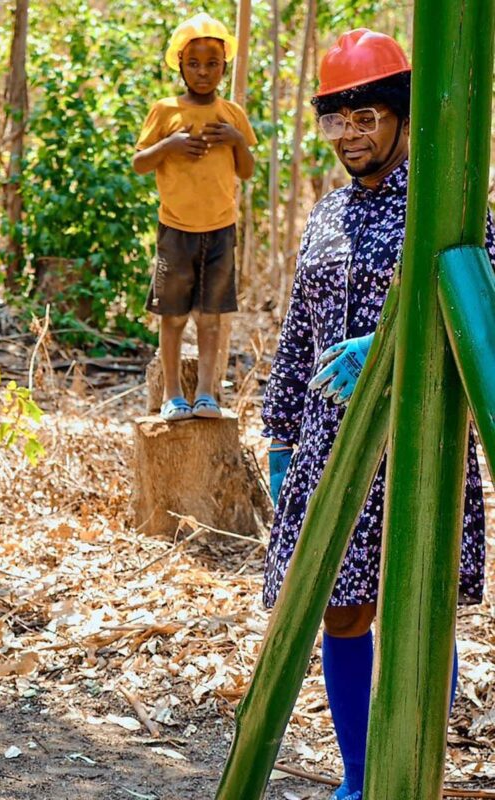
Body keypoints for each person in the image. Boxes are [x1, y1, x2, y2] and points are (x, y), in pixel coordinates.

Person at [264, 29, 495, 800]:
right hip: (332, 443)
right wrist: (281, 432)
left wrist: (398, 343)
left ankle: (412, 774)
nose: (351, 135)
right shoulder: (327, 215)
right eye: (338, 120)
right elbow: (300, 327)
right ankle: (359, 780)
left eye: (368, 117)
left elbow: (481, 313)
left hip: (420, 438)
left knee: (415, 608)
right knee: (339, 607)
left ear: (400, 116)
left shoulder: (449, 206)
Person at [133, 13, 257, 422]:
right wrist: (170, 144)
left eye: (212, 63)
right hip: (176, 229)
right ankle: (172, 394)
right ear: (180, 64)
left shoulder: (232, 114)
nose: (203, 72)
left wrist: (237, 140)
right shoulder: (165, 110)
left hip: (220, 229)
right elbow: (139, 163)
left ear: (224, 66)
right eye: (194, 63)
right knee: (172, 317)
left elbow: (246, 170)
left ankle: (206, 393)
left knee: (210, 318)